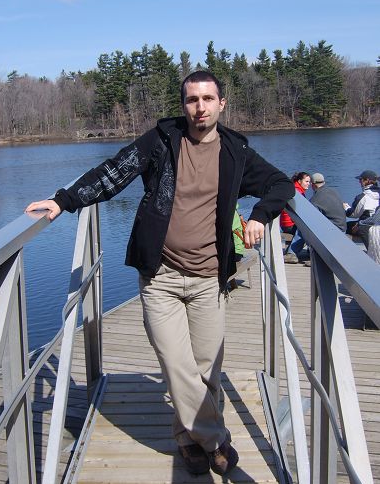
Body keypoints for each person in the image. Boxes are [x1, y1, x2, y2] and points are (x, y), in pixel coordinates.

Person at [25, 70, 294, 477]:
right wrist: (64, 200)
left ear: (222, 104)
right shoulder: (162, 142)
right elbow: (114, 172)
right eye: (192, 99)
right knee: (176, 363)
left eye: (208, 99)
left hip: (209, 279)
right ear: (183, 105)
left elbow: (280, 184)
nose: (200, 107)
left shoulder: (235, 152)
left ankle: (187, 439)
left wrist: (260, 215)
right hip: (161, 277)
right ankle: (215, 440)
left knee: (206, 368)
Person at [343, 170, 380, 248]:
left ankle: (349, 249)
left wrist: (346, 207)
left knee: (348, 225)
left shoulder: (363, 196)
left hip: (367, 226)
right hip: (377, 224)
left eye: (361, 180)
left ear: (367, 180)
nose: (359, 182)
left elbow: (352, 214)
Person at [281, 171, 311, 263]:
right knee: (306, 230)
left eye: (309, 182)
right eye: (306, 181)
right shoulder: (298, 193)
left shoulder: (294, 189)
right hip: (289, 225)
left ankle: (309, 251)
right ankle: (292, 253)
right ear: (299, 181)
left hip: (285, 224)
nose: (309, 184)